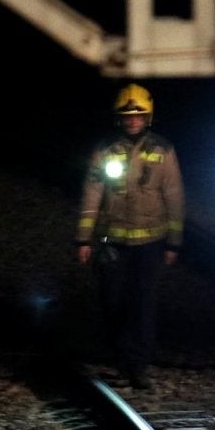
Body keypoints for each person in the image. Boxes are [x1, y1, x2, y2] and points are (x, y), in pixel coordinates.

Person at [75, 83, 184, 390]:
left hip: (150, 244)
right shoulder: (105, 150)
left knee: (143, 305)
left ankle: (137, 366)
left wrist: (174, 242)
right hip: (112, 243)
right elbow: (92, 194)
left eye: (139, 116)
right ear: (118, 118)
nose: (133, 121)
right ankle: (121, 358)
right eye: (128, 116)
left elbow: (174, 196)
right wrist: (83, 239)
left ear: (148, 118)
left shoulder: (163, 150)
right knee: (113, 303)